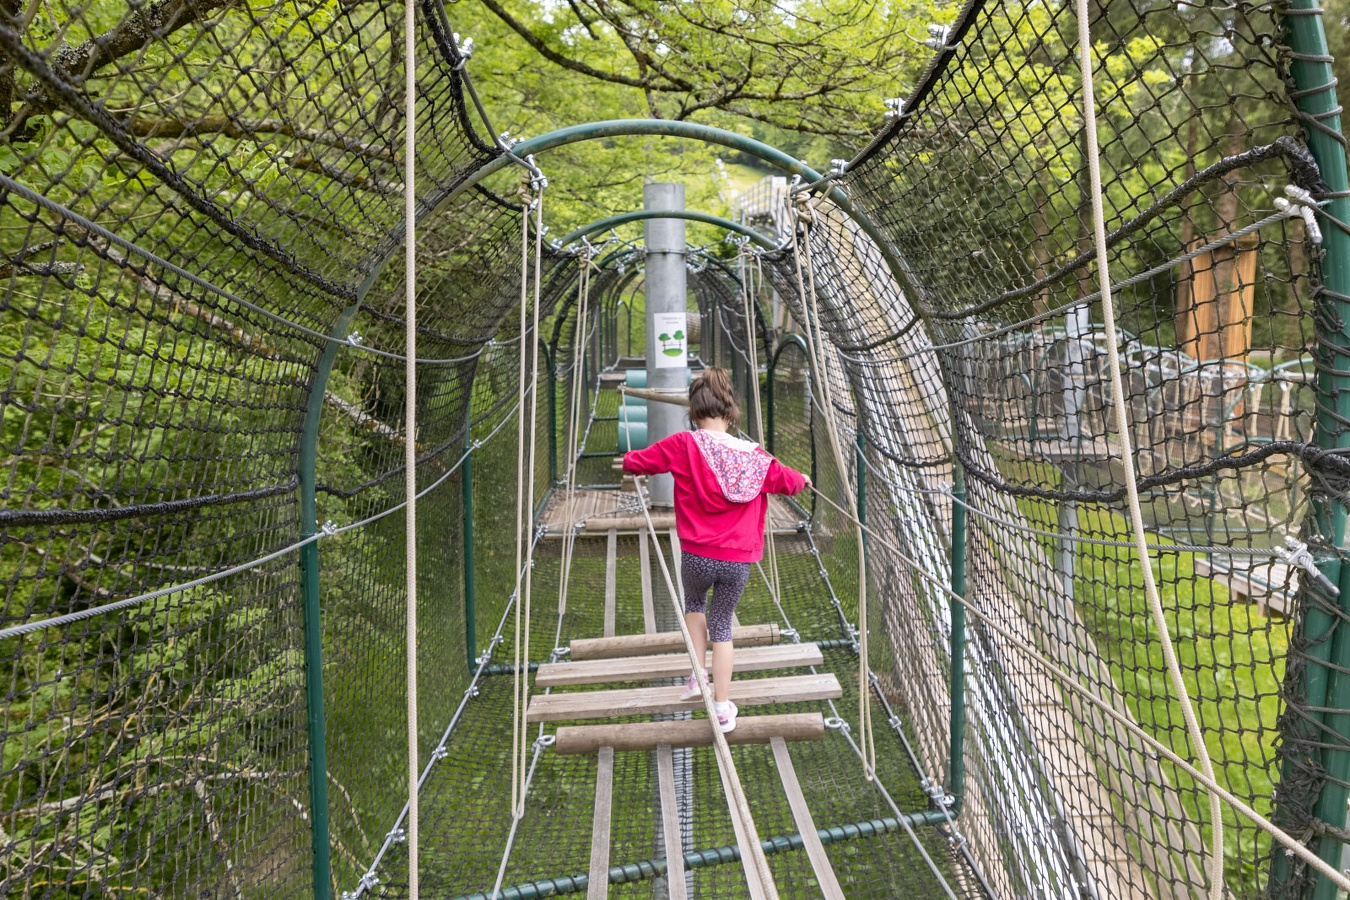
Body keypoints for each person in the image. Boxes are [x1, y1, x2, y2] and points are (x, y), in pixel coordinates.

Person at [622, 366, 809, 732]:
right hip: (737, 560)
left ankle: (697, 678)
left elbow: (639, 462)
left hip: (696, 555)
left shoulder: (683, 444)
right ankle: (722, 708)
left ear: (694, 413)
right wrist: (802, 479)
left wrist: (630, 459)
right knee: (722, 625)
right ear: (730, 412)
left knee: (694, 605)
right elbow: (788, 482)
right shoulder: (755, 457)